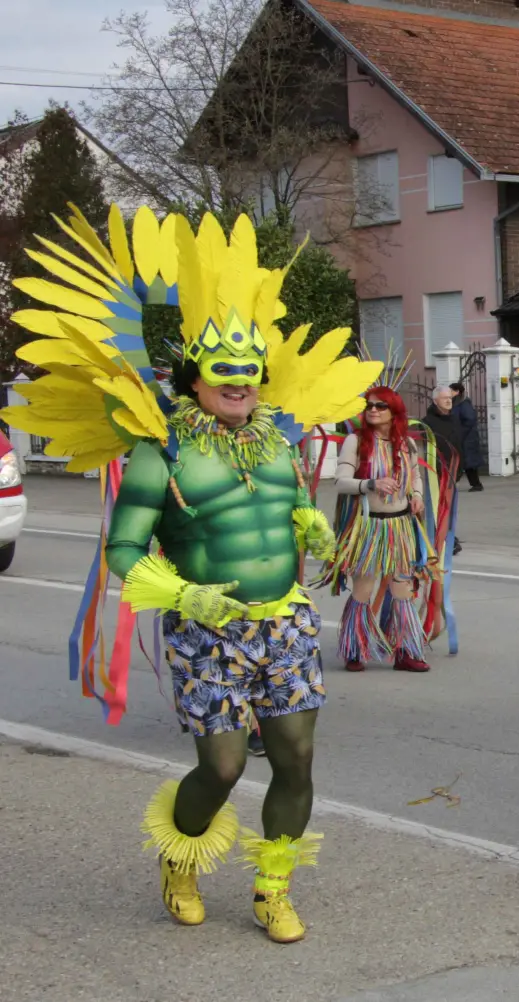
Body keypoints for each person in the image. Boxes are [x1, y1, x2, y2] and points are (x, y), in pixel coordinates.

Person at [1, 204, 379, 944]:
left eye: (250, 374)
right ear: (195, 376)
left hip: (287, 623)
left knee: (297, 757)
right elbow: (121, 551)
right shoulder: (161, 450)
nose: (240, 385)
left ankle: (273, 887)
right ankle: (181, 856)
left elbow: (295, 507)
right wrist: (183, 594)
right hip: (206, 630)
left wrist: (314, 525)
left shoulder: (276, 442)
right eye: (224, 373)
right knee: (226, 767)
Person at [323, 387, 432, 673]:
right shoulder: (355, 441)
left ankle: (406, 651)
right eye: (369, 405)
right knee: (364, 589)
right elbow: (340, 481)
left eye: (380, 405)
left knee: (403, 590)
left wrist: (417, 496)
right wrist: (371, 483)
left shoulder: (406, 444)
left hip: (400, 525)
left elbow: (416, 477)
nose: (373, 410)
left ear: (393, 411)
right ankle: (354, 649)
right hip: (369, 527)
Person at [426, 389, 466, 554]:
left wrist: (461, 466)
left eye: (450, 398)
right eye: (445, 398)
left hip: (453, 471)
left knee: (449, 506)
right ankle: (441, 537)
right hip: (436, 472)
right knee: (437, 505)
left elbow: (459, 443)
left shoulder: (455, 419)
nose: (449, 401)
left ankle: (448, 536)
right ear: (435, 401)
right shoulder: (427, 422)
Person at [449, 382, 484, 491]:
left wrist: (460, 432)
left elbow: (469, 419)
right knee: (460, 462)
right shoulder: (456, 403)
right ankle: (472, 484)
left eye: (451, 391)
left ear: (457, 391)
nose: (449, 393)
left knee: (468, 463)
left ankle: (476, 484)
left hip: (468, 438)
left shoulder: (464, 404)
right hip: (462, 437)